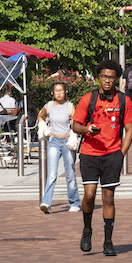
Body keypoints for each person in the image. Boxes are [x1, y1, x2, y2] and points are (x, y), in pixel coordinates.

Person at [71, 60, 132, 257]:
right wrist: (86, 129)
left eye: (111, 77)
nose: (107, 81)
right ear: (98, 77)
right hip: (89, 154)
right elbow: (75, 125)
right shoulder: (88, 99)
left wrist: (121, 153)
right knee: (89, 195)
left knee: (108, 198)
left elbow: (130, 129)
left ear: (117, 79)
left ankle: (108, 241)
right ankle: (87, 229)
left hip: (112, 155)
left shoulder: (123, 101)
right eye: (104, 77)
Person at [38, 82, 80, 214]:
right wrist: (44, 128)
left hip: (67, 141)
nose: (59, 93)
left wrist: (73, 138)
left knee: (70, 174)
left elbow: (75, 123)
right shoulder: (49, 106)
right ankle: (46, 203)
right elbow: (40, 116)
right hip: (54, 141)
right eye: (56, 91)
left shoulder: (70, 106)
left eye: (61, 90)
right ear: (53, 93)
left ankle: (74, 202)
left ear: (65, 92)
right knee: (51, 174)